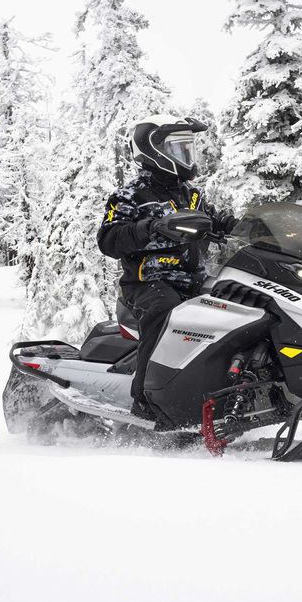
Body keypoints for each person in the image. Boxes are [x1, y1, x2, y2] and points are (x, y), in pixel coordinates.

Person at [97, 115, 237, 423]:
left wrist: (242, 227)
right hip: (148, 282)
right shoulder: (131, 196)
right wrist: (150, 227)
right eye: (179, 149)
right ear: (154, 151)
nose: (187, 156)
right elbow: (108, 239)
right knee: (167, 311)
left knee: (238, 306)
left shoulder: (192, 195)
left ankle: (234, 387)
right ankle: (145, 399)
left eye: (188, 149)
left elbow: (213, 220)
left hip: (193, 279)